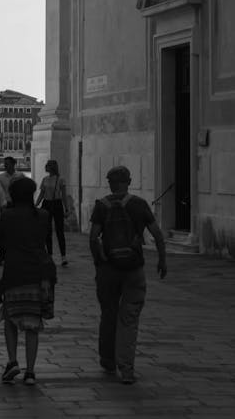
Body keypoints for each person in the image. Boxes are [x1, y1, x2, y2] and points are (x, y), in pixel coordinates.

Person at [89, 165, 167, 384]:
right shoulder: (139, 204)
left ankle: (107, 360)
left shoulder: (102, 206)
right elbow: (157, 234)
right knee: (129, 319)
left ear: (110, 183)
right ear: (129, 182)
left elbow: (93, 238)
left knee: (108, 314)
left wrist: (99, 263)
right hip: (133, 268)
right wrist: (162, 259)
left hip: (108, 269)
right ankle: (127, 367)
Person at [0, 176, 56, 386]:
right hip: (37, 275)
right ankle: (30, 372)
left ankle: (13, 361)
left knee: (10, 319)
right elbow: (45, 242)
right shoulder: (43, 215)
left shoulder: (7, 216)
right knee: (32, 324)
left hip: (14, 274)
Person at [35, 159, 69, 266]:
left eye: (48, 165)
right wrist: (35, 205)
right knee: (47, 231)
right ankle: (49, 255)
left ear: (52, 167)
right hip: (46, 204)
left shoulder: (60, 179)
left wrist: (66, 208)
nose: (45, 166)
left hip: (57, 204)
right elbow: (41, 194)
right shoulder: (45, 179)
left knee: (60, 231)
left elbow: (64, 195)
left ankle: (63, 256)